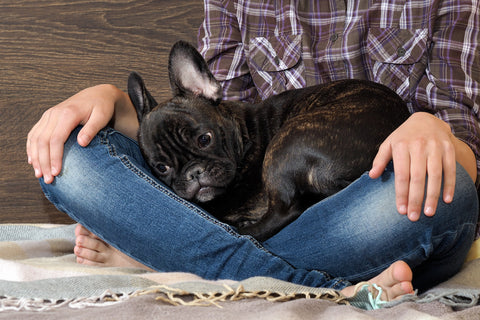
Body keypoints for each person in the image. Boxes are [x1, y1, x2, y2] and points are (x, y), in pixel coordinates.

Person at [26, 0, 479, 304]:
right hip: (313, 231)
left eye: (203, 149)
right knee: (68, 156)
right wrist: (111, 101)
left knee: (448, 188)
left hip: (383, 194)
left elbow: (467, 145)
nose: (197, 172)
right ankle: (336, 292)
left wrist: (433, 126)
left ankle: (167, 252)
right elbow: (205, 114)